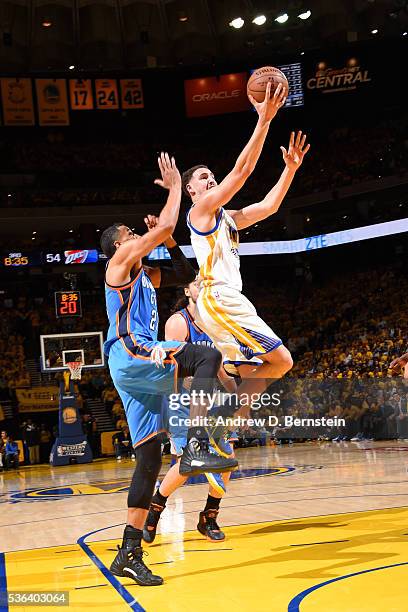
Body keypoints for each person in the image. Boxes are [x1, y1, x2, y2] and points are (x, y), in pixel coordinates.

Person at [101, 153, 237, 587]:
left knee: (148, 458)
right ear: (118, 247)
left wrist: (171, 242)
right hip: (131, 353)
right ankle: (198, 444)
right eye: (128, 234)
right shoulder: (117, 268)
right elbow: (160, 228)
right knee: (206, 357)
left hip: (136, 367)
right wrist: (176, 186)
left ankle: (129, 551)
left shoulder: (144, 274)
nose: (134, 235)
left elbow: (184, 275)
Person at [182, 125, 310, 421]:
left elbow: (269, 206)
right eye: (204, 178)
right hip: (219, 297)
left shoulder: (227, 217)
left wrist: (289, 169)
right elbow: (242, 171)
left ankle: (216, 424)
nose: (211, 179)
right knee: (280, 361)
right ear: (192, 191)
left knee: (272, 368)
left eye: (212, 175)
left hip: (229, 299)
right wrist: (264, 117)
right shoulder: (199, 212)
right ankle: (214, 420)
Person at [143, 272, 237, 543]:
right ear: (187, 291)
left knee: (226, 460)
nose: (203, 287)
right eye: (198, 283)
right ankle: (155, 510)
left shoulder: (215, 324)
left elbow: (220, 371)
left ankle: (209, 517)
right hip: (181, 401)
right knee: (188, 461)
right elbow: (170, 371)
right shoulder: (178, 322)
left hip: (209, 401)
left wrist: (239, 398)